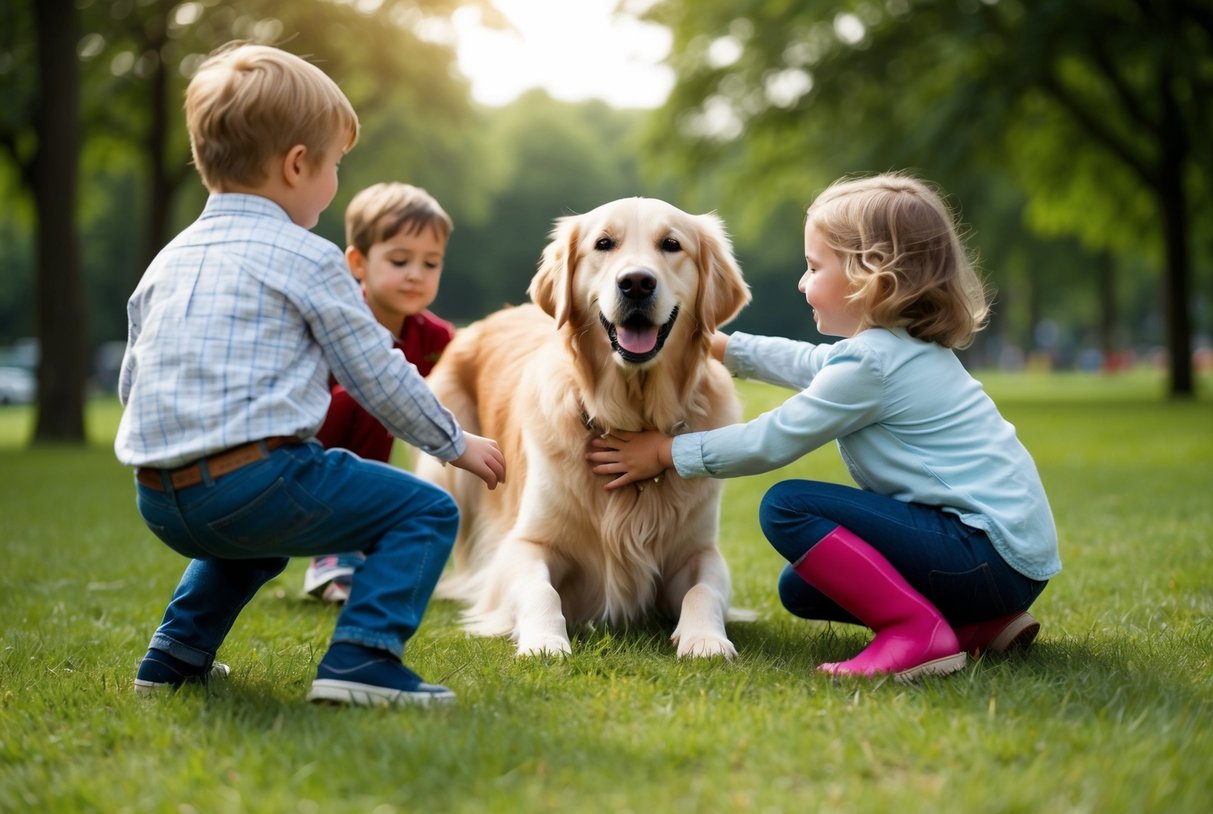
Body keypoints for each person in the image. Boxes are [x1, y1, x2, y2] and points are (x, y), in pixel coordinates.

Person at [114, 42, 505, 707]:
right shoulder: (309, 257)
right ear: (298, 165)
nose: (334, 182)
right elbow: (377, 372)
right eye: (335, 165)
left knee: (252, 542)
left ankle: (172, 659)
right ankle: (363, 658)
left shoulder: (168, 259)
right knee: (426, 509)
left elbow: (134, 376)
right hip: (254, 480)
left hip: (158, 493)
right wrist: (455, 443)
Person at [587, 173, 1059, 683]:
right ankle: (975, 628)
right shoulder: (895, 352)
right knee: (804, 586)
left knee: (787, 507)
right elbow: (809, 361)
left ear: (868, 275)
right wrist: (721, 344)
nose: (802, 282)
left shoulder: (873, 366)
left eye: (813, 268)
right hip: (1010, 561)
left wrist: (665, 452)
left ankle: (914, 632)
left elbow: (770, 441)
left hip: (981, 551)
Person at [302, 182, 457, 604]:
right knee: (368, 393)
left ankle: (402, 548)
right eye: (400, 260)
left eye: (431, 263)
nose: (415, 274)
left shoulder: (434, 336)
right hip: (315, 442)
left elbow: (460, 373)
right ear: (358, 262)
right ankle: (338, 549)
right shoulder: (340, 318)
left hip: (387, 445)